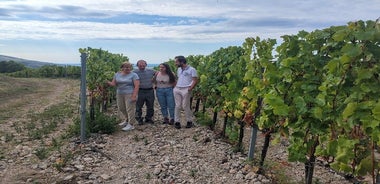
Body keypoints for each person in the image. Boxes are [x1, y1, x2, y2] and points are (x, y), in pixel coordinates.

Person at [107, 61, 139, 131]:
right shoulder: (117, 74)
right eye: (126, 67)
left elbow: (137, 86)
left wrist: (134, 95)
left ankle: (131, 124)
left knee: (130, 109)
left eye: (129, 67)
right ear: (122, 68)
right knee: (121, 108)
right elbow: (113, 84)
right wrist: (106, 81)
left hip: (130, 93)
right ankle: (127, 120)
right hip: (119, 93)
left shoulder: (134, 75)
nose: (128, 68)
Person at [173, 55, 198, 129]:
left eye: (176, 62)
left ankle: (189, 121)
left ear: (182, 62)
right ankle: (177, 122)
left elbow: (195, 80)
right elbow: (179, 78)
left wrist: (190, 88)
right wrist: (175, 87)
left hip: (186, 89)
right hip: (177, 89)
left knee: (185, 106)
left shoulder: (192, 69)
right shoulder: (179, 69)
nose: (175, 63)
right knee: (177, 106)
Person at [134, 59, 156, 125]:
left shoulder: (151, 71)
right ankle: (139, 119)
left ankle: (148, 118)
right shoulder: (134, 72)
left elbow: (159, 73)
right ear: (137, 65)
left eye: (143, 65)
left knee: (150, 106)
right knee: (138, 106)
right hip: (140, 91)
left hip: (150, 90)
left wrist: (155, 82)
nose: (142, 67)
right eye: (140, 65)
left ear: (146, 65)